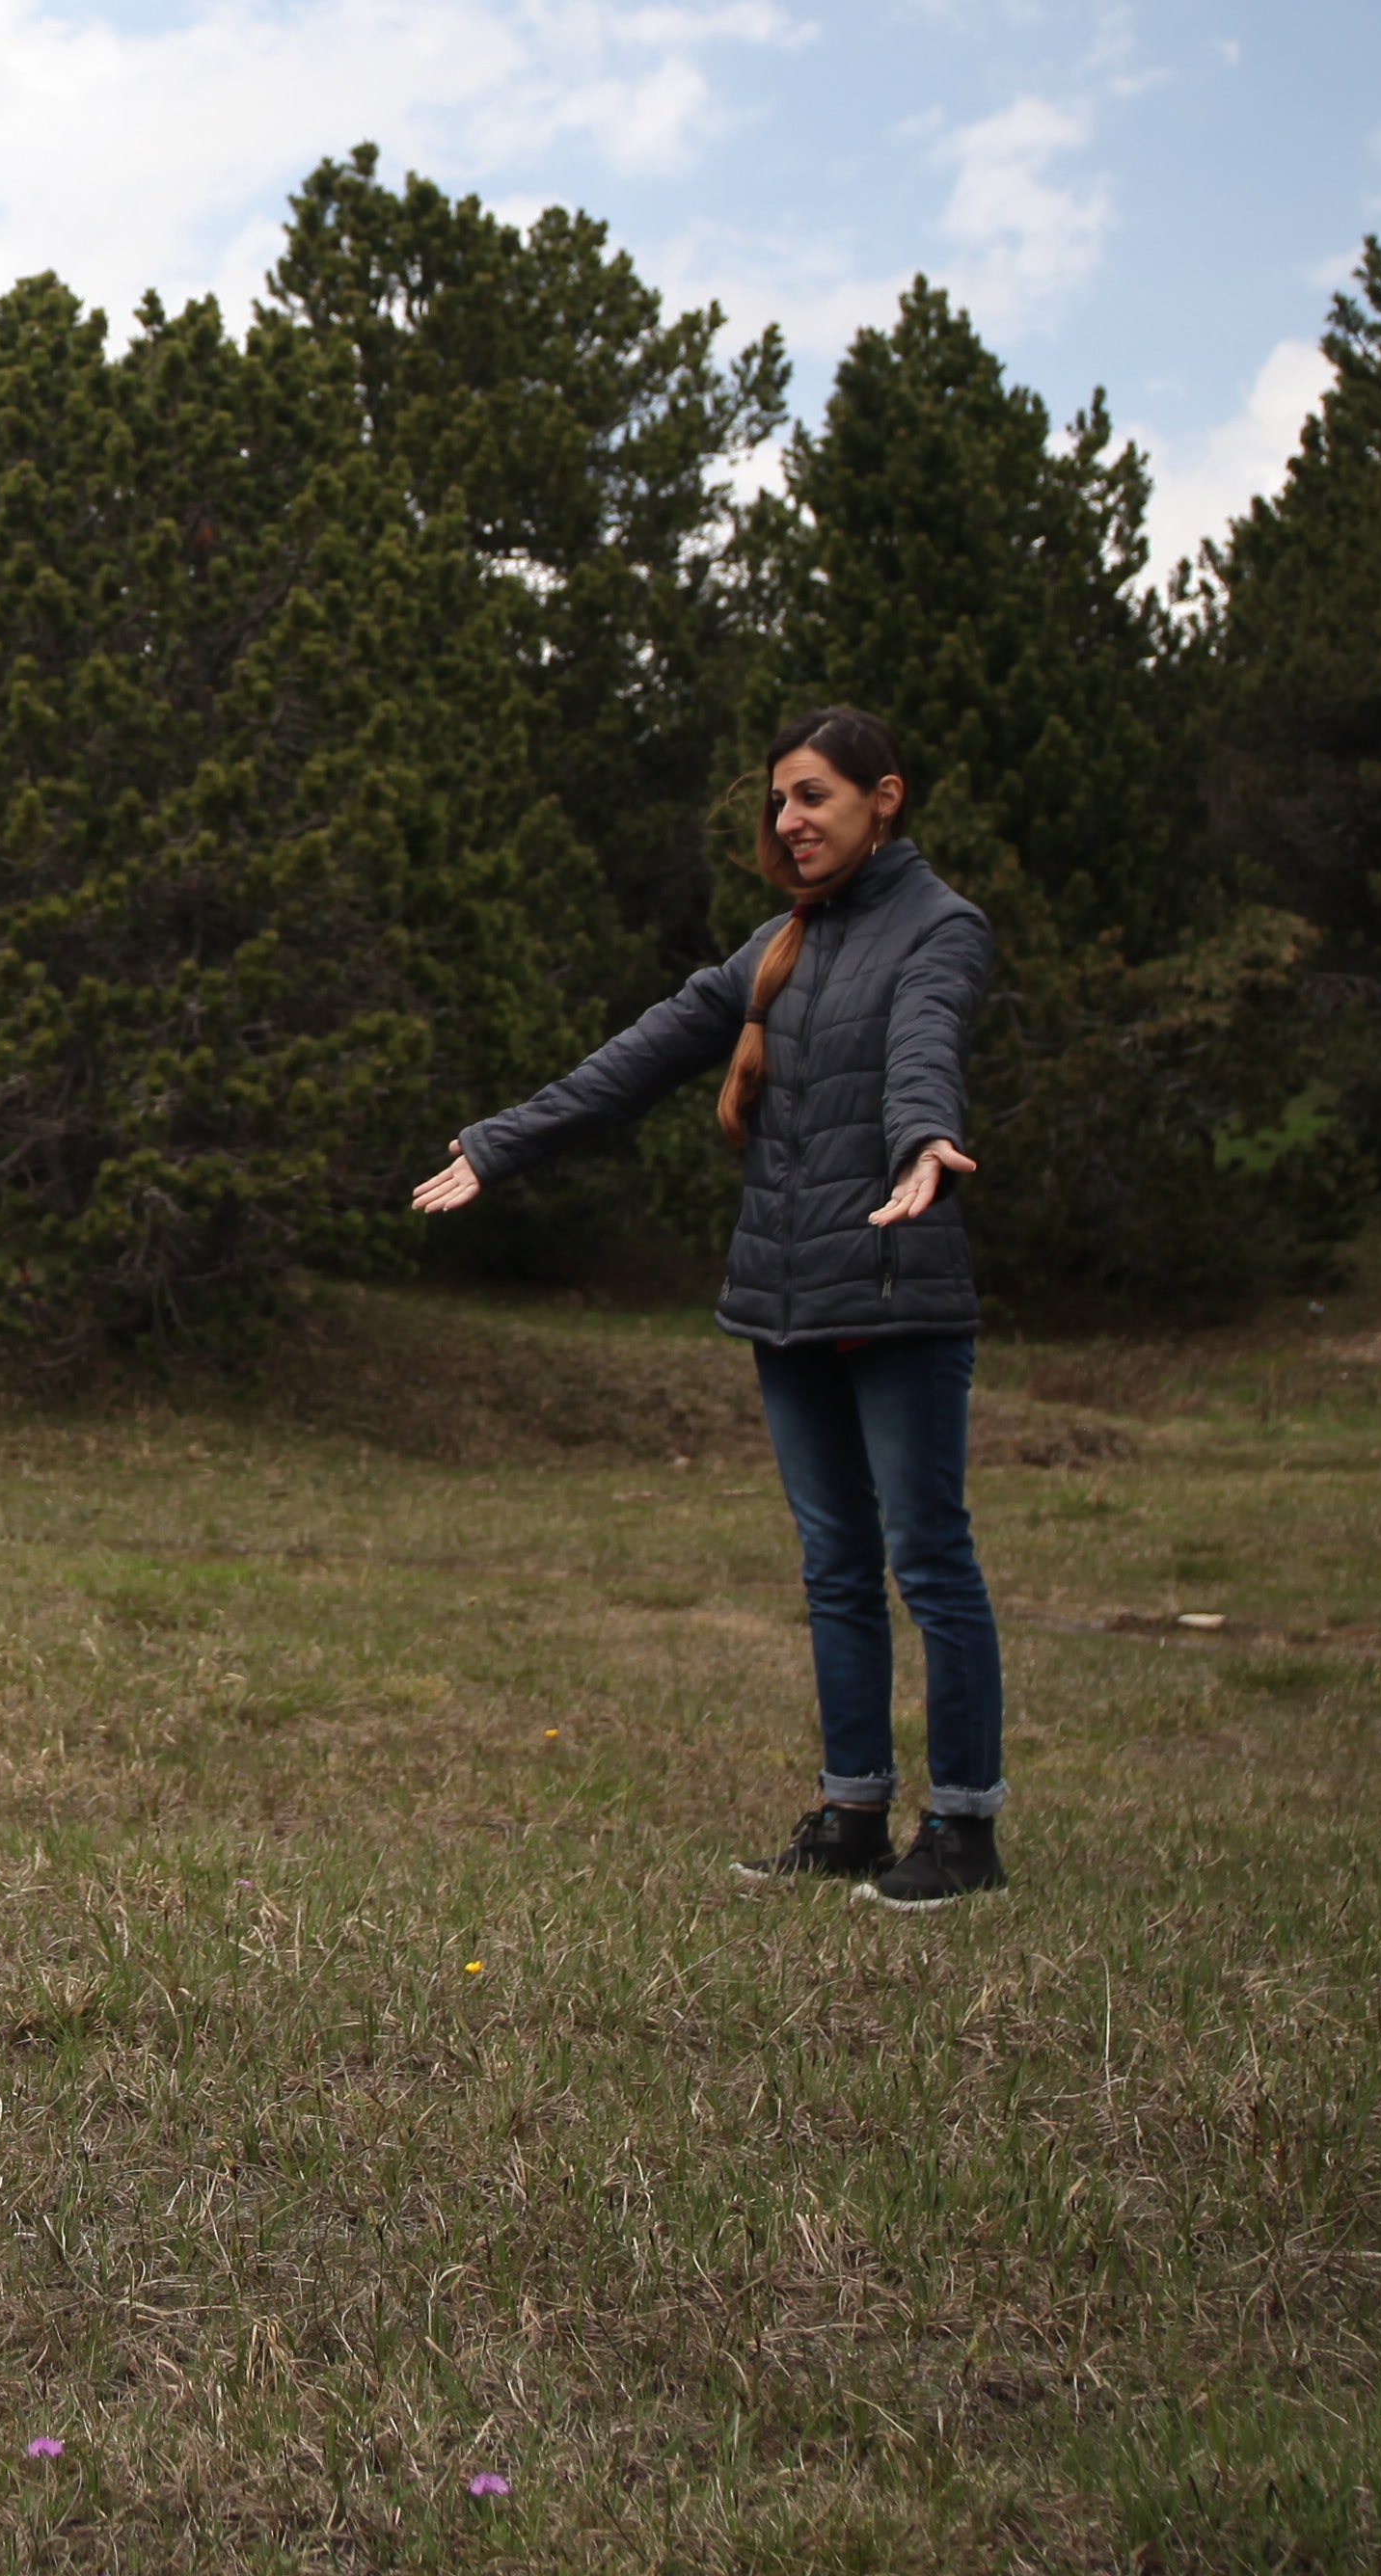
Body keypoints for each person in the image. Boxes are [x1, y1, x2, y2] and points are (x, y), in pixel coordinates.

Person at [413, 709, 1009, 1907]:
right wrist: (500, 1144)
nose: (789, 823)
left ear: (883, 798)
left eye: (813, 797)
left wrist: (926, 1142)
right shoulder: (773, 947)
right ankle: (852, 1812)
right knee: (834, 1565)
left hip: (895, 1292)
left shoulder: (940, 928)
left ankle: (963, 1833)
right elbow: (634, 1061)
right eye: (779, 803)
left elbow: (923, 1051)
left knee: (927, 1560)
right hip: (785, 1302)